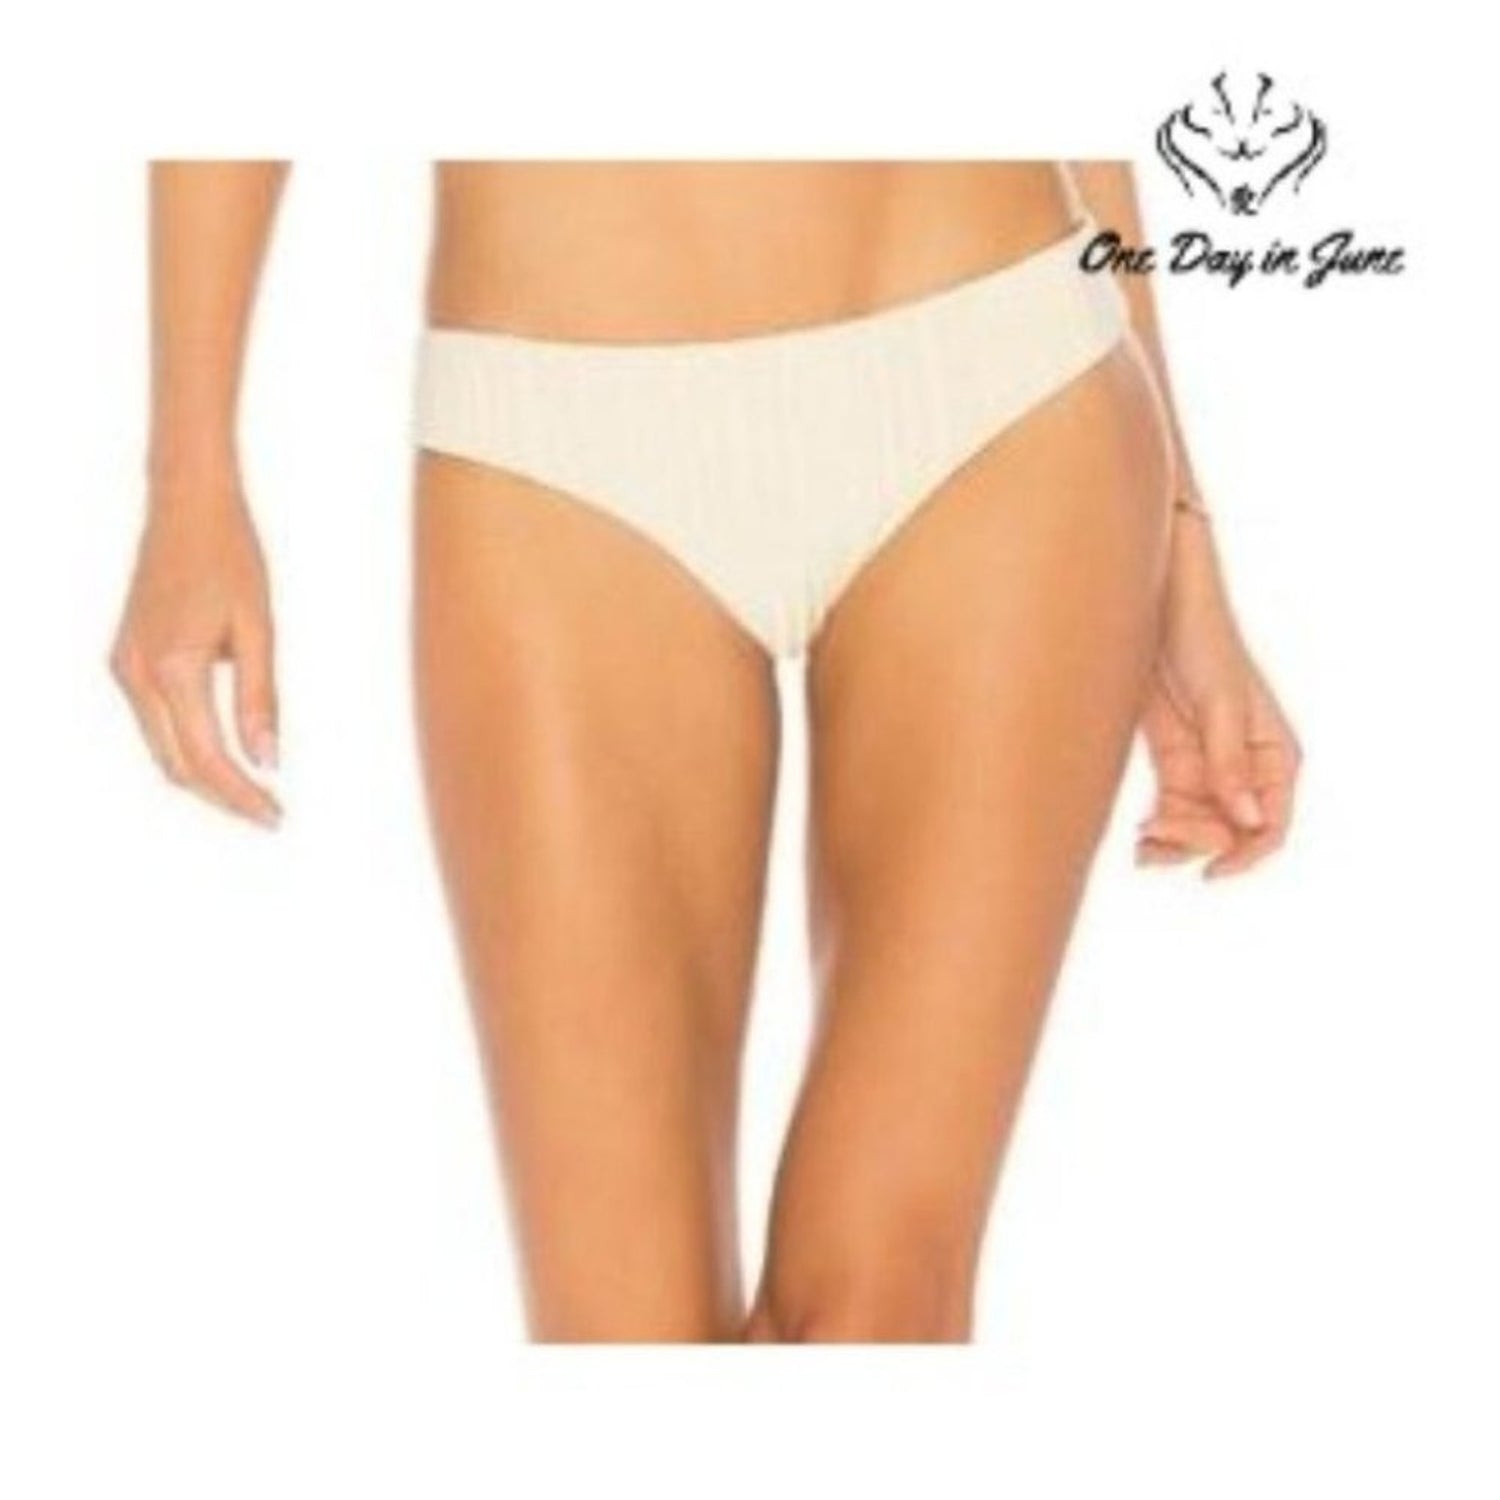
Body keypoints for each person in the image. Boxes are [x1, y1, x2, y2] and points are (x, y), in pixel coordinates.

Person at [109, 161, 1301, 1343]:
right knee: (626, 1345)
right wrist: (189, 478)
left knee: (880, 1311)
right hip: (556, 437)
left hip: (995, 373)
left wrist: (1184, 550)